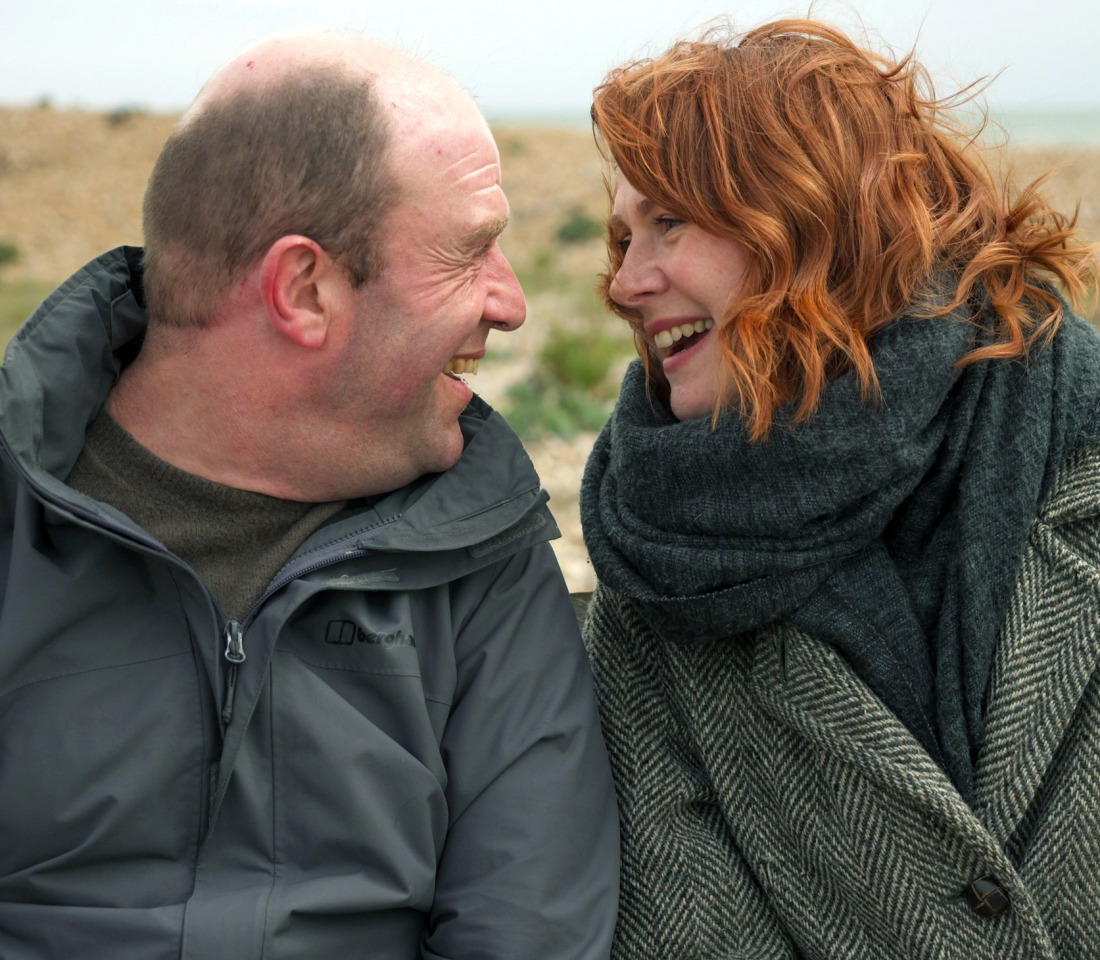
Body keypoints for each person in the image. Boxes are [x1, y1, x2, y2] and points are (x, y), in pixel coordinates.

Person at [0, 33, 619, 959]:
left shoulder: (478, 544)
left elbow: (527, 929)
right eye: (470, 253)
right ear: (304, 288)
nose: (512, 301)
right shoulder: (18, 523)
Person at [580, 18, 1100, 960]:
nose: (622, 283)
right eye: (622, 237)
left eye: (668, 223)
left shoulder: (1081, 452)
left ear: (811, 222)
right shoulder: (655, 582)